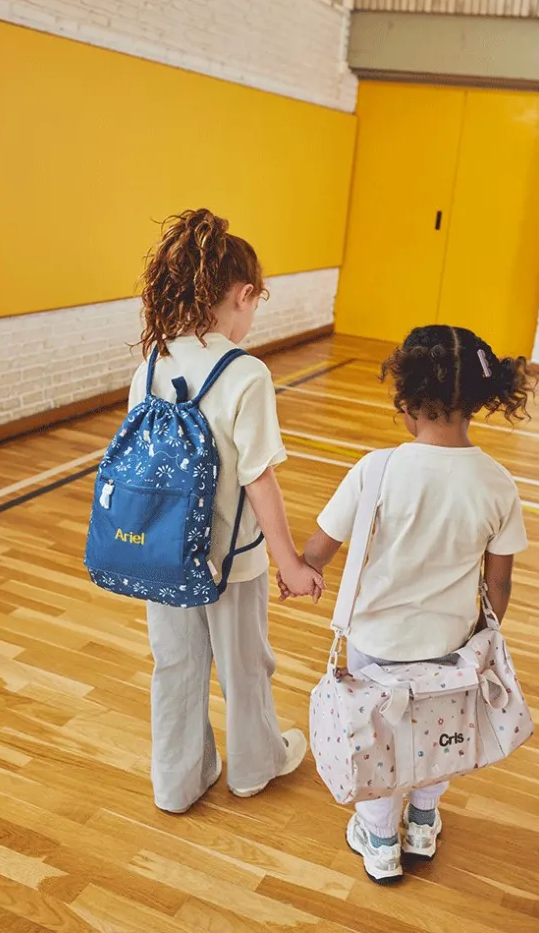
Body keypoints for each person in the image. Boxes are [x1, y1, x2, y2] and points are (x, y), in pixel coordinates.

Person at [283, 324, 534, 883]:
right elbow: (499, 584)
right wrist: (480, 634)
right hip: (450, 644)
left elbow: (319, 549)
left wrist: (301, 571)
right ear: (477, 400)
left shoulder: (377, 469)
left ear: (407, 401)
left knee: (376, 741)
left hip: (377, 642)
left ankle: (379, 841)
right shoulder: (498, 483)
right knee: (439, 732)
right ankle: (422, 822)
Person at [130, 208, 323, 814]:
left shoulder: (152, 364)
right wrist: (290, 562)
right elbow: (258, 478)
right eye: (256, 302)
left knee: (175, 666)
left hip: (163, 553)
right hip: (232, 560)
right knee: (245, 666)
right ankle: (252, 768)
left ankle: (177, 782)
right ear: (242, 295)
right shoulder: (246, 374)